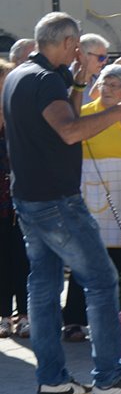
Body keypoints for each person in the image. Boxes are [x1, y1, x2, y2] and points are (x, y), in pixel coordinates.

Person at [1, 12, 121, 394]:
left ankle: (53, 381)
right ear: (70, 43)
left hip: (30, 197)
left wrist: (75, 84)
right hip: (56, 201)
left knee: (43, 288)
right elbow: (71, 131)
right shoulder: (43, 80)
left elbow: (64, 121)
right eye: (77, 47)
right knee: (102, 281)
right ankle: (109, 381)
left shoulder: (20, 75)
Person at [62, 65, 121, 339]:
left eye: (115, 85)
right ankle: (75, 319)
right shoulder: (86, 114)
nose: (108, 89)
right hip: (94, 193)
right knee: (90, 255)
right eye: (104, 84)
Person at [0, 60, 30, 341]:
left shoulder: (20, 117)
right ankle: (3, 317)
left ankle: (25, 315)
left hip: (23, 201)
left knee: (24, 261)